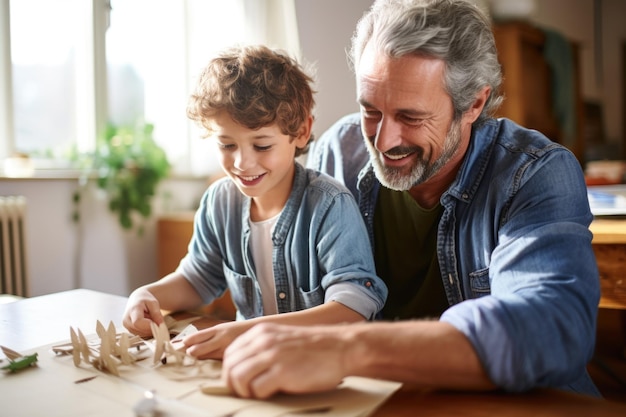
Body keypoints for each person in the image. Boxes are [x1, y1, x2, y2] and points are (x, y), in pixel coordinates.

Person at [220, 0, 601, 400]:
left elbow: (552, 329)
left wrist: (347, 349)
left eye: (412, 117)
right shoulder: (337, 152)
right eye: (370, 110)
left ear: (473, 104)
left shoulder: (535, 174)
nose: (383, 142)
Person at [122, 44, 387, 359]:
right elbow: (197, 279)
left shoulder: (329, 205)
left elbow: (352, 307)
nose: (242, 163)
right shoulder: (219, 203)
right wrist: (146, 294)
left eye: (261, 146)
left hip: (320, 364)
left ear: (301, 132)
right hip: (250, 362)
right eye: (227, 144)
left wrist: (250, 331)